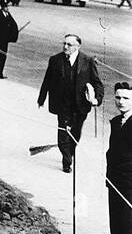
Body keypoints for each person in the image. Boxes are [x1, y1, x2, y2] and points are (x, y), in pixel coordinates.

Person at [37, 34, 104, 175]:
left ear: (78, 46)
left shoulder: (88, 61)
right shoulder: (55, 60)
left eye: (69, 45)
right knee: (63, 132)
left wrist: (97, 99)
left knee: (75, 133)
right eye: (64, 43)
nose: (65, 47)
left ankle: (69, 152)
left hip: (80, 105)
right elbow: (47, 80)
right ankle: (66, 161)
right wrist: (41, 98)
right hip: (62, 104)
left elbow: (97, 83)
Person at [105, 82, 132, 234]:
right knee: (116, 223)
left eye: (126, 98)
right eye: (118, 97)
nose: (121, 102)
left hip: (130, 183)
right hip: (114, 182)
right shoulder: (116, 122)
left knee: (129, 225)